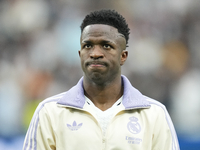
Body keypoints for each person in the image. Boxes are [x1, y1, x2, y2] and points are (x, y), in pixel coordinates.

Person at [23, 9, 180, 150]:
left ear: (123, 56)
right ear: (80, 54)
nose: (95, 53)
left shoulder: (154, 114)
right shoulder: (50, 112)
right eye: (88, 45)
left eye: (106, 46)